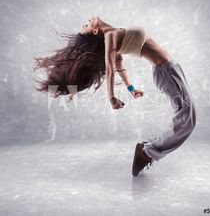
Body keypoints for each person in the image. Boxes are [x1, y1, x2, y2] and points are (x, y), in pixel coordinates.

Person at [33, 17, 196, 177]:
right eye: (86, 25)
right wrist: (111, 98)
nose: (87, 20)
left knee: (187, 118)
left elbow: (120, 67)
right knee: (187, 120)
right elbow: (111, 69)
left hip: (171, 68)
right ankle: (147, 152)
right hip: (166, 70)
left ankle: (149, 149)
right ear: (95, 30)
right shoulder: (110, 36)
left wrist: (131, 88)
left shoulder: (116, 33)